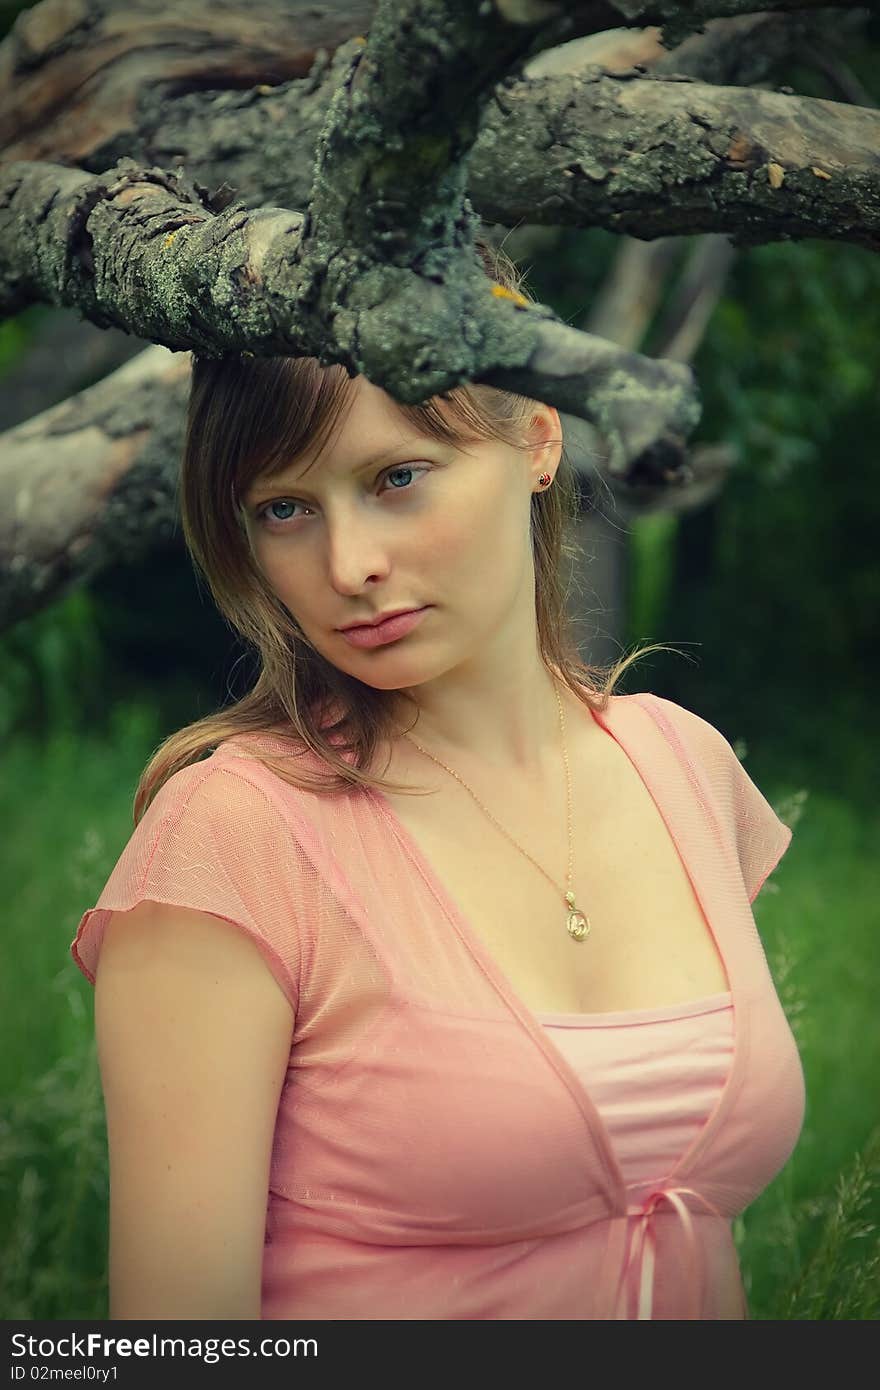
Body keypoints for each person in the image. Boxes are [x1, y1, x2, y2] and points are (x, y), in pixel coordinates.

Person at [70, 234, 805, 1320]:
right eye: (285, 508)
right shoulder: (236, 833)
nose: (348, 565)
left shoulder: (682, 765)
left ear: (540, 437)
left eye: (395, 478)